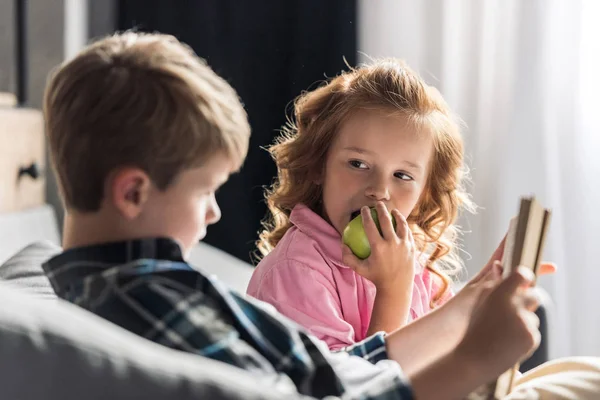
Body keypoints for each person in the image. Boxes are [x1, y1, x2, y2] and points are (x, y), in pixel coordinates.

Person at [41, 31, 600, 399]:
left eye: (404, 175)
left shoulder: (146, 283)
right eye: (205, 191)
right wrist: (475, 357)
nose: (213, 214)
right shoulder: (151, 298)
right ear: (134, 193)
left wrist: (471, 302)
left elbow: (337, 371)